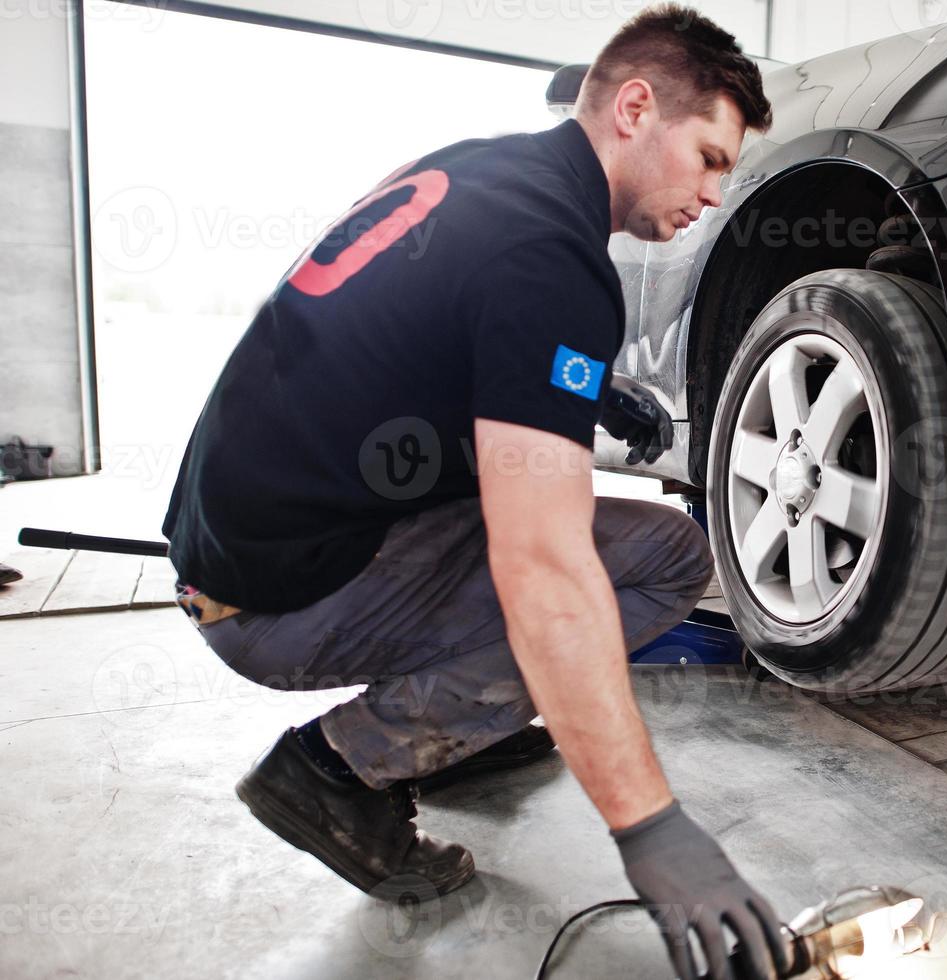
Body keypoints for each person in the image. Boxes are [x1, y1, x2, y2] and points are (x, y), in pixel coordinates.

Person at [162, 5, 790, 978]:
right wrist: (650, 824)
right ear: (635, 108)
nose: (713, 194)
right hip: (276, 602)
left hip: (235, 544)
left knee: (615, 538)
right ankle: (339, 769)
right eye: (709, 157)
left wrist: (588, 385)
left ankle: (444, 736)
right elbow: (543, 569)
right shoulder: (557, 263)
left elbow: (402, 330)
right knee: (654, 563)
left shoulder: (482, 169)